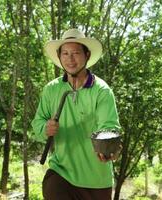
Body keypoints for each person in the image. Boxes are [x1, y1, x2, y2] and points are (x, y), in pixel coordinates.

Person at [31, 28, 121, 200]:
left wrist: (109, 148)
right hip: (61, 172)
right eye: (65, 53)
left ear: (87, 55)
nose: (70, 59)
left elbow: (109, 126)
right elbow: (37, 123)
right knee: (52, 186)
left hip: (96, 180)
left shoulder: (102, 91)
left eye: (76, 53)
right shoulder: (51, 89)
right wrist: (45, 128)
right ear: (59, 57)